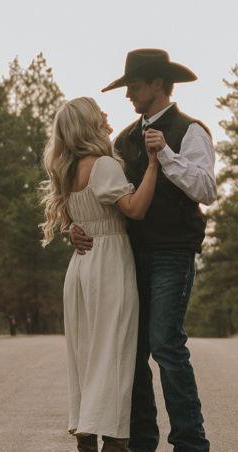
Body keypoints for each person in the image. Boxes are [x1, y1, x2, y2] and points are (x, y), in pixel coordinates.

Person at [70, 48, 215, 452]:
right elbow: (103, 194)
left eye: (134, 85)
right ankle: (141, 442)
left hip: (173, 253)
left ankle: (190, 443)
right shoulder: (122, 140)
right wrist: (74, 227)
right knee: (131, 351)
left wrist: (165, 154)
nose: (128, 93)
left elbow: (206, 190)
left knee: (165, 343)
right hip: (128, 256)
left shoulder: (191, 131)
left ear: (157, 84)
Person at [40, 97, 161, 452]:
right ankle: (114, 439)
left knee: (87, 354)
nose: (106, 115)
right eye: (99, 111)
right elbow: (135, 209)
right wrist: (154, 165)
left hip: (81, 267)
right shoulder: (104, 165)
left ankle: (86, 435)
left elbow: (73, 220)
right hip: (109, 263)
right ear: (88, 123)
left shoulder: (68, 169)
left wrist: (71, 230)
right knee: (114, 352)